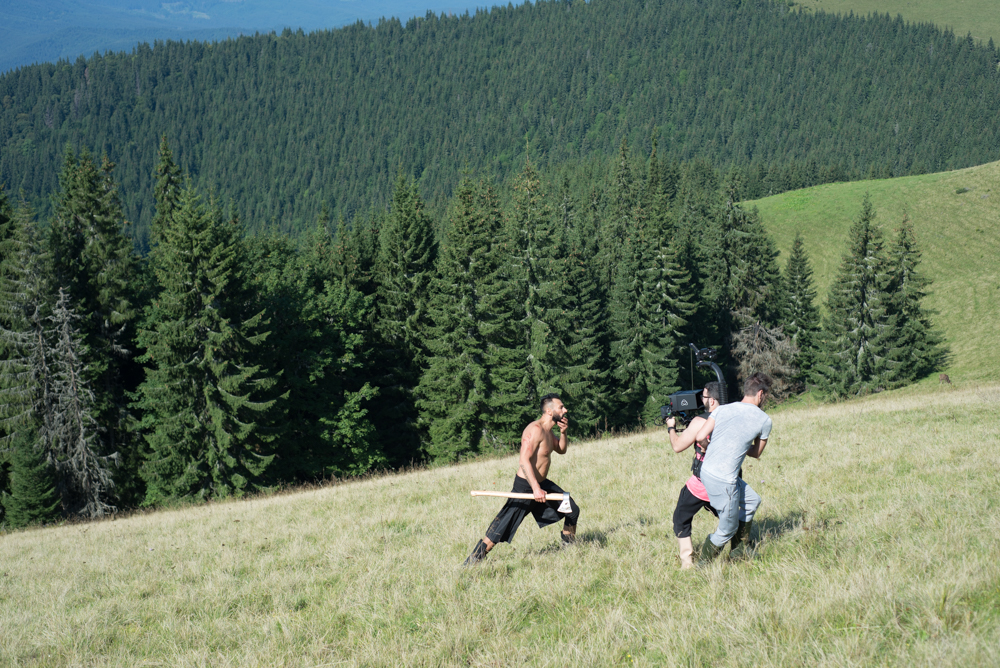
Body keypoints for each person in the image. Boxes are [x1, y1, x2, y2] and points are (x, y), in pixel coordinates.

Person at [463, 393, 580, 565]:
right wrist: (535, 488)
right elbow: (524, 460)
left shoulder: (548, 431)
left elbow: (561, 449)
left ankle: (569, 547)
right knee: (503, 525)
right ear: (549, 411)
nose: (565, 410)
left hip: (541, 484)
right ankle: (473, 560)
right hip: (526, 486)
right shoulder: (535, 430)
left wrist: (563, 433)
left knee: (571, 508)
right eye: (561, 407)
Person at [694, 372, 773, 563]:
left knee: (752, 501)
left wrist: (712, 446)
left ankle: (739, 550)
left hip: (706, 471)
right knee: (727, 528)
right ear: (760, 394)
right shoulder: (764, 420)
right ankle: (703, 566)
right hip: (724, 480)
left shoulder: (722, 409)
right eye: (766, 396)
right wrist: (741, 445)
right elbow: (756, 453)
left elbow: (700, 437)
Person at [665, 381, 723, 569]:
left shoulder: (699, 422)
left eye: (703, 396)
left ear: (711, 400)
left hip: (703, 483)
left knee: (680, 518)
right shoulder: (733, 417)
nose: (700, 399)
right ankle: (741, 546)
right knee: (729, 516)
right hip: (727, 480)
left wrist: (671, 427)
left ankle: (687, 563)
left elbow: (677, 446)